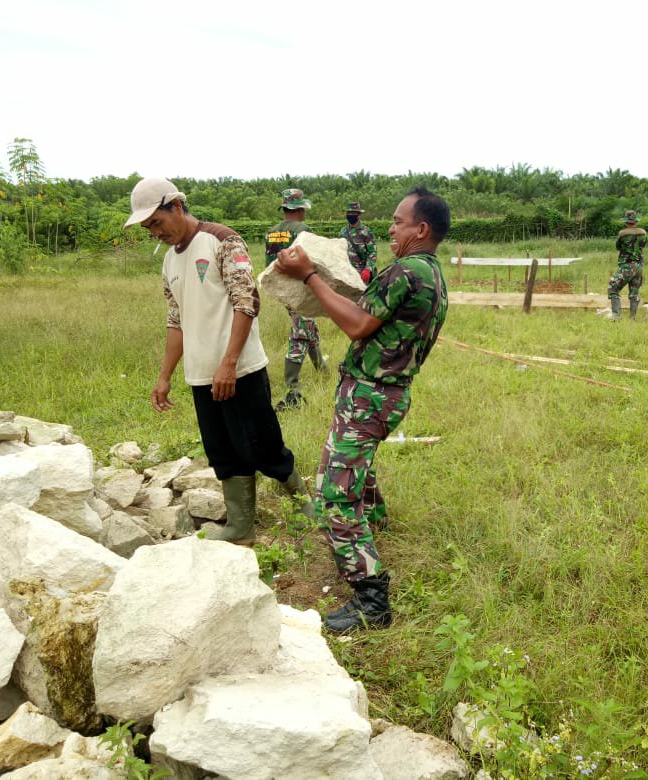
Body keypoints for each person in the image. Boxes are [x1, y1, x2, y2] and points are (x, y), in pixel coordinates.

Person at [274, 187, 449, 633]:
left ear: (421, 229)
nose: (390, 228)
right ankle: (375, 523)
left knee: (333, 493)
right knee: (358, 467)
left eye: (398, 221)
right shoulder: (430, 273)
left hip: (371, 394)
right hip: (385, 393)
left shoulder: (406, 271)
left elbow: (356, 324)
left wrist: (311, 274)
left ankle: (371, 596)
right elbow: (368, 315)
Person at [126, 177, 312, 545]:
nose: (155, 233)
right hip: (201, 375)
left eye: (157, 223)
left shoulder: (221, 240)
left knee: (263, 443)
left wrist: (228, 362)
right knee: (223, 449)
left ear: (176, 207)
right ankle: (241, 526)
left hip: (240, 369)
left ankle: (305, 504)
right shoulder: (168, 261)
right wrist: (165, 377)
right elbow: (175, 319)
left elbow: (247, 301)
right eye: (148, 228)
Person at [264, 188, 326, 410]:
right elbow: (311, 260)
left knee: (308, 326)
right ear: (300, 209)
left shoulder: (271, 232)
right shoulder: (303, 230)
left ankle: (322, 368)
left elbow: (269, 265)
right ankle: (292, 383)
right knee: (300, 333)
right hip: (301, 288)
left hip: (282, 289)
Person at [608, 209, 646, 321]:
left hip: (626, 265)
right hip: (638, 266)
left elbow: (618, 247)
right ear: (635, 221)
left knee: (613, 288)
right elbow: (643, 246)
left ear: (626, 221)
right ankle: (632, 318)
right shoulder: (643, 233)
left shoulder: (623, 233)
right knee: (634, 292)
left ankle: (616, 317)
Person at [339, 201, 378, 283]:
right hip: (346, 272)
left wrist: (368, 269)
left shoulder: (366, 232)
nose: (350, 215)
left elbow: (372, 252)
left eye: (353, 213)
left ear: (359, 215)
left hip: (362, 274)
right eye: (348, 213)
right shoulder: (343, 232)